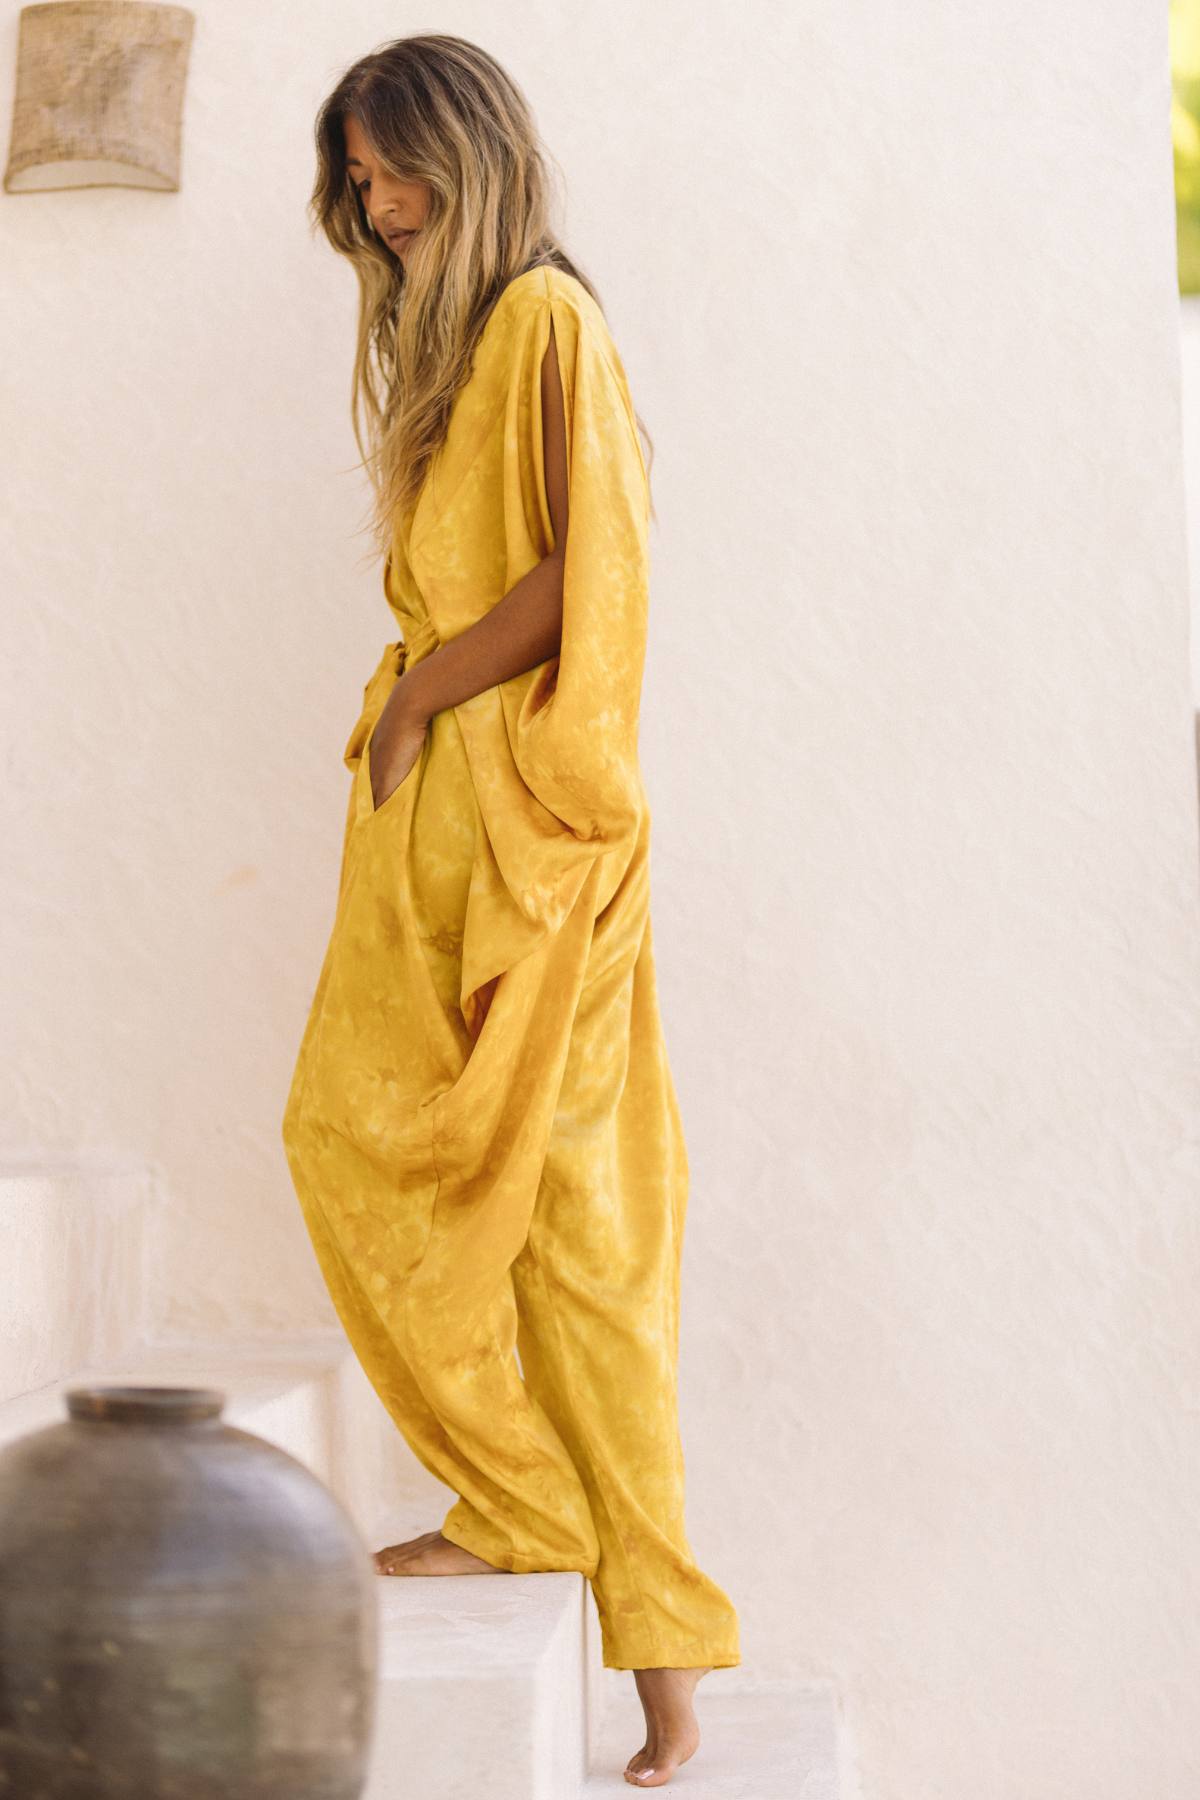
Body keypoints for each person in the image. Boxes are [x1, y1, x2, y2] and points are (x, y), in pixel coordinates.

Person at [280, 32, 740, 1789]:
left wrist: (417, 700)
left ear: (473, 156)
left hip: (525, 816)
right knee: (365, 1145)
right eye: (360, 180)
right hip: (435, 818)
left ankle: (665, 1670)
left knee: (582, 1224)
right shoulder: (462, 337)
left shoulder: (547, 318)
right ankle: (520, 1496)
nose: (377, 204)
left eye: (397, 170)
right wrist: (405, 733)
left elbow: (588, 578)